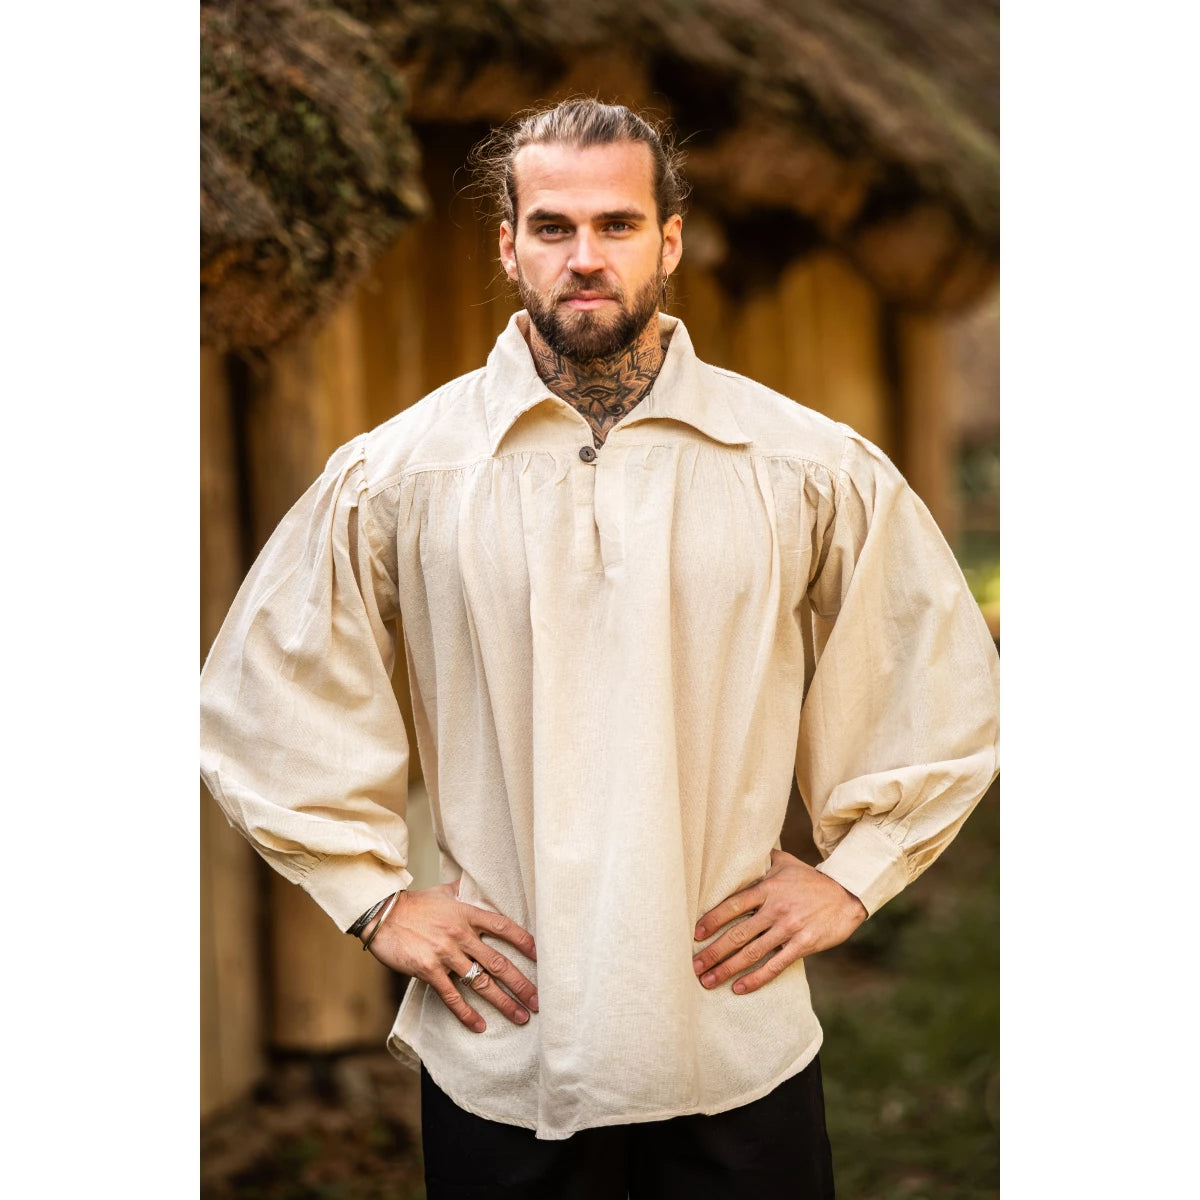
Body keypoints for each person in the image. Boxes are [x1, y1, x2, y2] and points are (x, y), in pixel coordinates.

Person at [200, 99, 1000, 1198]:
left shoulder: (806, 465)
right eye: (553, 227)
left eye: (617, 225)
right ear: (509, 246)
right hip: (507, 1037)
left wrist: (855, 877)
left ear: (669, 241)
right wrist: (375, 897)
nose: (585, 257)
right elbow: (267, 695)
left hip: (730, 1026)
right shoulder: (400, 474)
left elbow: (934, 669)